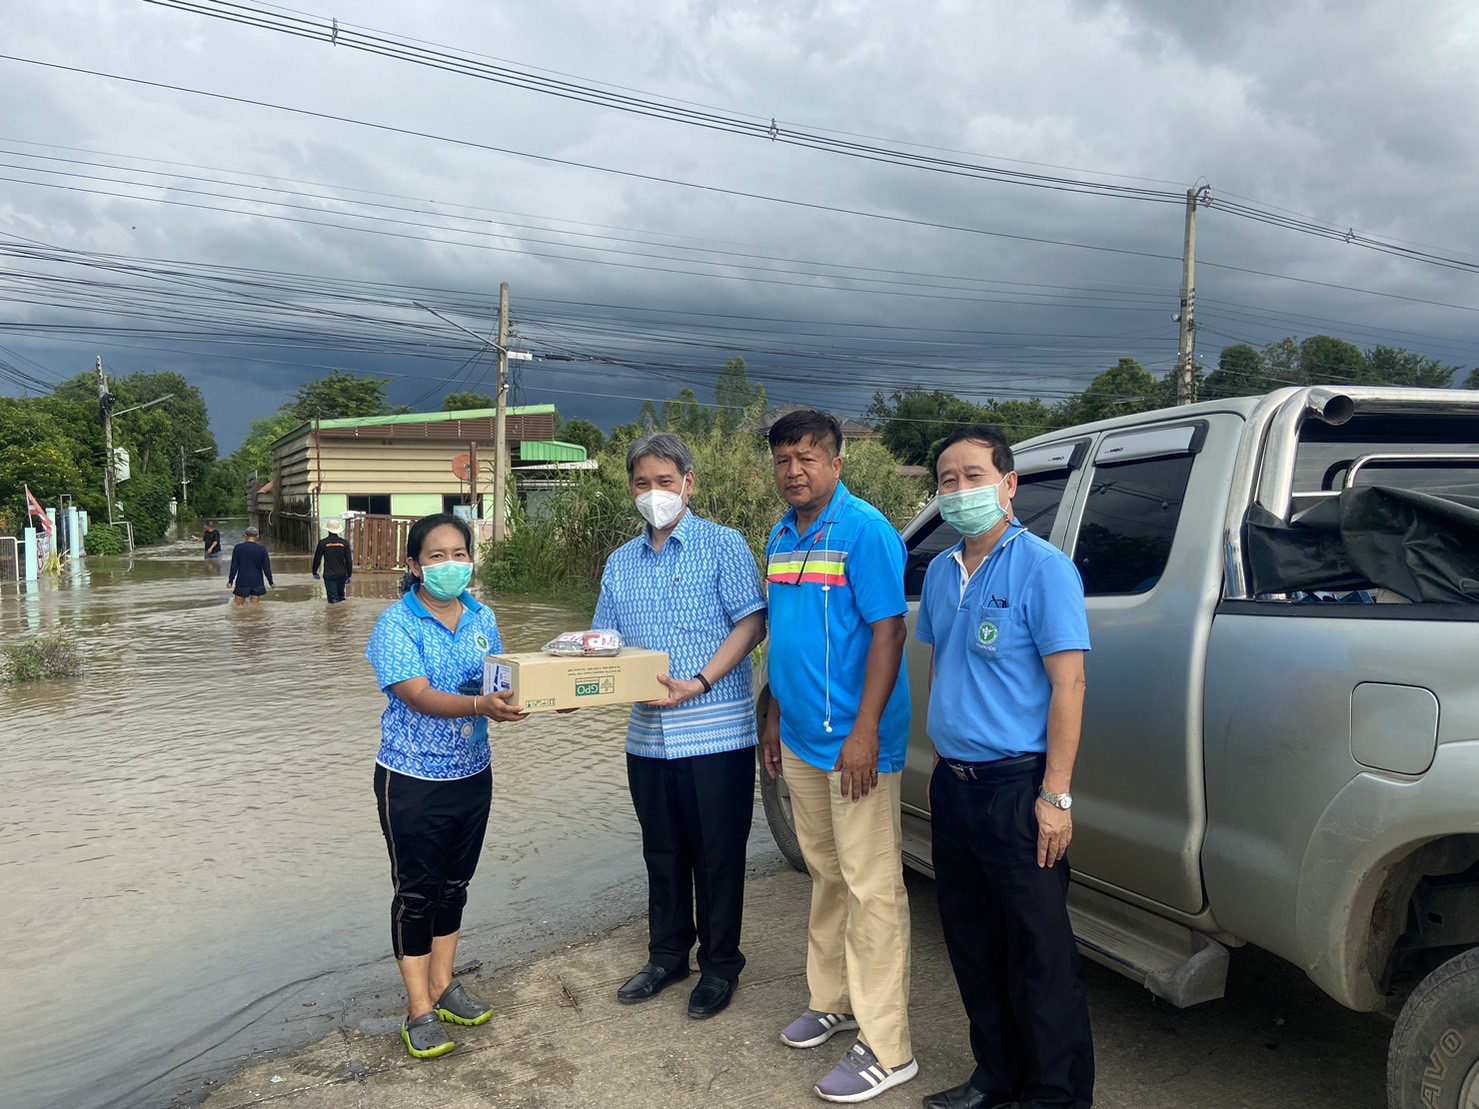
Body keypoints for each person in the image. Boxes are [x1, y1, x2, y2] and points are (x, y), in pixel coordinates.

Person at [915, 425, 1094, 1109]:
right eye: (947, 480)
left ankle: (1054, 1094)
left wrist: (1056, 795)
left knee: (1039, 954)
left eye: (972, 475)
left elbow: (1068, 685)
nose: (959, 491)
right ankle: (995, 1077)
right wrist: (941, 764)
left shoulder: (1042, 567)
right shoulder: (938, 570)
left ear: (1008, 484)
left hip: (1018, 790)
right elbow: (943, 666)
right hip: (955, 785)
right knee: (971, 943)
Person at [758, 409, 916, 1103]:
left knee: (871, 888)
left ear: (835, 462)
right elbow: (784, 635)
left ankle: (888, 1046)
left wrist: (866, 732)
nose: (795, 470)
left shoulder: (866, 531)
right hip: (798, 737)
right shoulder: (779, 534)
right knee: (825, 873)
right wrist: (772, 714)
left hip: (855, 746)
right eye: (784, 459)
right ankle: (834, 998)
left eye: (808, 457)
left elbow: (889, 632)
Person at [591, 433, 768, 1021]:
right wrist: (567, 688)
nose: (654, 493)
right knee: (661, 851)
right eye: (642, 483)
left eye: (665, 481)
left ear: (689, 483)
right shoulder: (620, 562)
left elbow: (751, 624)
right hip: (647, 739)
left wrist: (701, 680)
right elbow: (604, 645)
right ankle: (668, 956)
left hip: (716, 733)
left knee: (718, 855)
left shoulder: (723, 546)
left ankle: (720, 965)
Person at [365, 512, 529, 1060]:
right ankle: (418, 1010)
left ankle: (443, 983)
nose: (451, 565)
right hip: (411, 778)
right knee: (416, 894)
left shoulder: (483, 617)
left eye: (459, 553)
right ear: (414, 566)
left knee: (454, 885)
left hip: (472, 772)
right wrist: (483, 704)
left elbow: (500, 679)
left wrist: (548, 693)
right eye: (437, 556)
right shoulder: (396, 625)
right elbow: (416, 695)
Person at [226, 526, 274, 605]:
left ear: (245, 535)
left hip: (242, 581)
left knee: (238, 607)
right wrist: (271, 582)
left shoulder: (238, 548)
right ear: (257, 536)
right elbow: (266, 568)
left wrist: (230, 581)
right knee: (255, 607)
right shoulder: (262, 549)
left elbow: (234, 566)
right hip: (257, 581)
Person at [312, 518, 354, 604]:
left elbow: (317, 559)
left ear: (328, 530)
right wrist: (349, 575)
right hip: (342, 574)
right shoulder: (344, 543)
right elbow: (349, 561)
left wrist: (314, 572)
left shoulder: (323, 543)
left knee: (332, 601)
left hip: (329, 575)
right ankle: (342, 615)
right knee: (341, 597)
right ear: (338, 530)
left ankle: (333, 615)